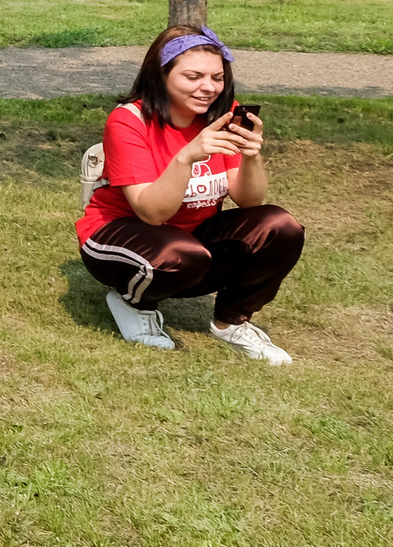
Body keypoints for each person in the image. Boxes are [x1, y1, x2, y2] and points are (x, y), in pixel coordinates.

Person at [77, 25, 305, 363]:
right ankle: (131, 302)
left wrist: (251, 155)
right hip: (118, 239)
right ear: (162, 75)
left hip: (190, 242)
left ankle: (233, 322)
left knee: (280, 226)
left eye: (217, 77)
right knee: (180, 252)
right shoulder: (129, 120)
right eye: (193, 76)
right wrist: (186, 156)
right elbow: (152, 214)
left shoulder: (223, 116)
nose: (208, 88)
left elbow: (250, 201)